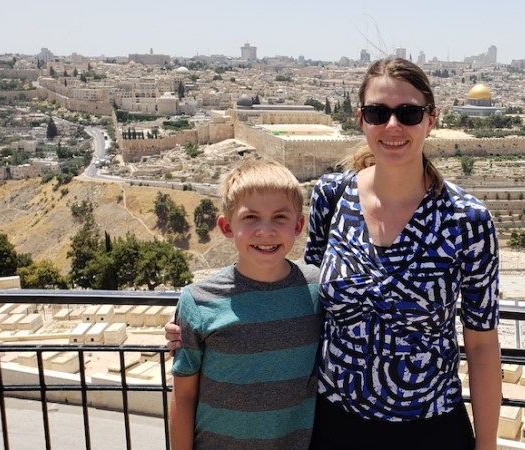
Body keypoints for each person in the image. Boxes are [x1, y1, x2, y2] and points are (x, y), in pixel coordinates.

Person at [168, 57, 502, 450]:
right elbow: (302, 288)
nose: (393, 126)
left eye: (408, 113)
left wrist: (487, 445)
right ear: (361, 118)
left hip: (429, 426)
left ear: (431, 119)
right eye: (379, 113)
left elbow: (481, 345)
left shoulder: (467, 220)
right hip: (334, 424)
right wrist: (197, 320)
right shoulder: (332, 196)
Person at [169, 160, 321, 450]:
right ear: (227, 226)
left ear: (298, 225)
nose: (266, 231)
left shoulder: (316, 289)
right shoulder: (199, 301)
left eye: (279, 217)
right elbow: (184, 395)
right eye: (250, 217)